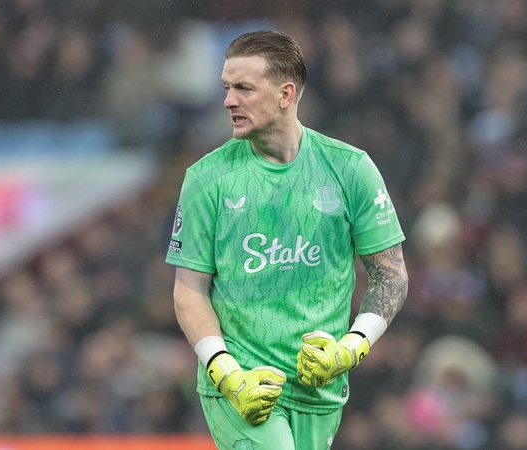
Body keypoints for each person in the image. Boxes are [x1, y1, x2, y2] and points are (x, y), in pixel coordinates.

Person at [165, 30, 409, 450]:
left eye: (243, 88)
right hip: (242, 390)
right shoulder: (207, 179)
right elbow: (189, 292)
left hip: (319, 390)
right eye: (226, 88)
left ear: (285, 94)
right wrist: (227, 375)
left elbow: (391, 275)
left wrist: (350, 349)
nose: (228, 101)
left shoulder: (350, 169)